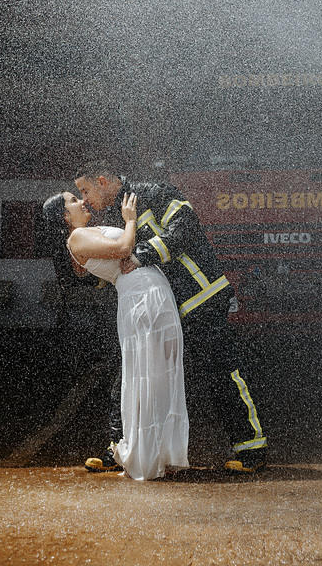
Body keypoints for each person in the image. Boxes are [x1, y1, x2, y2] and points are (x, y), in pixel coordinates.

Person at [74, 160, 268, 473]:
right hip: (159, 312)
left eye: (85, 190)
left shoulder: (153, 192)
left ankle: (251, 448)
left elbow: (186, 226)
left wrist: (142, 255)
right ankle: (118, 450)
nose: (83, 199)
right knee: (130, 377)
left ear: (102, 181)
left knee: (221, 372)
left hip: (200, 300)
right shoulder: (114, 216)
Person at [42, 190, 188, 480]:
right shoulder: (76, 238)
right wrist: (130, 220)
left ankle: (158, 452)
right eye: (74, 200)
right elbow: (123, 248)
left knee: (161, 376)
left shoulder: (86, 234)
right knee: (146, 377)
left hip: (150, 294)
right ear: (64, 216)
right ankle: (144, 456)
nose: (82, 201)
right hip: (142, 297)